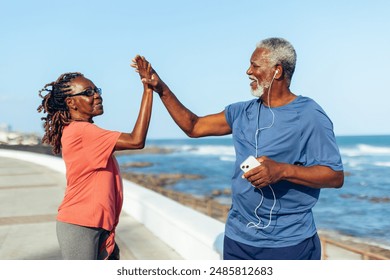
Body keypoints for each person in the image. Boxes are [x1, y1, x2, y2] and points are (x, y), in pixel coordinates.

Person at [135, 38, 344, 260]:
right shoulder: (241, 112)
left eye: (255, 65)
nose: (248, 71)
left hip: (288, 244)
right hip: (238, 240)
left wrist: (282, 171)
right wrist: (161, 88)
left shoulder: (309, 114)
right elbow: (193, 126)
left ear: (277, 71)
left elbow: (334, 175)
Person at [37, 56, 153, 260]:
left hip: (98, 225)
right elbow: (136, 140)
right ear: (71, 103)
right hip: (81, 226)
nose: (97, 96)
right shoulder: (82, 131)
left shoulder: (82, 131)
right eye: (88, 93)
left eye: (96, 90)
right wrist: (148, 90)